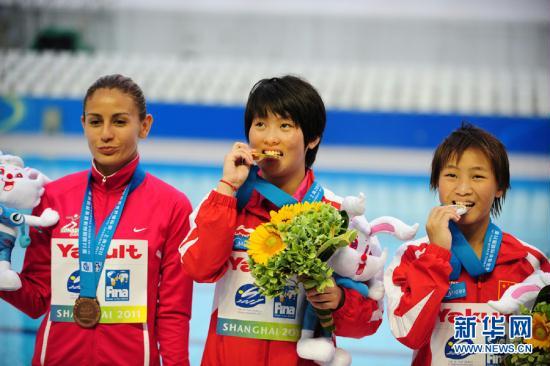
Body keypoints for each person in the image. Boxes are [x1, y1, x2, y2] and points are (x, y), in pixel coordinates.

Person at [179, 75, 382, 365]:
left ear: (313, 138)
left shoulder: (340, 215)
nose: (269, 137)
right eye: (260, 124)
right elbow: (198, 268)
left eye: (285, 126)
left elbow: (371, 320)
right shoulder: (224, 202)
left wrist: (339, 301)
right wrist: (227, 187)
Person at [0, 74, 194, 366]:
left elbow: (172, 311)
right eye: (95, 121)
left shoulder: (172, 205)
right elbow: (36, 300)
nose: (105, 134)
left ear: (144, 126)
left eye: (119, 121)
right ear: (83, 125)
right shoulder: (53, 197)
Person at [384, 123, 550, 365]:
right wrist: (437, 254)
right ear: (435, 183)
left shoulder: (531, 263)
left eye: (478, 176)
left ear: (499, 188)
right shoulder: (412, 257)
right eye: (451, 175)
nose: (462, 189)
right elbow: (408, 334)